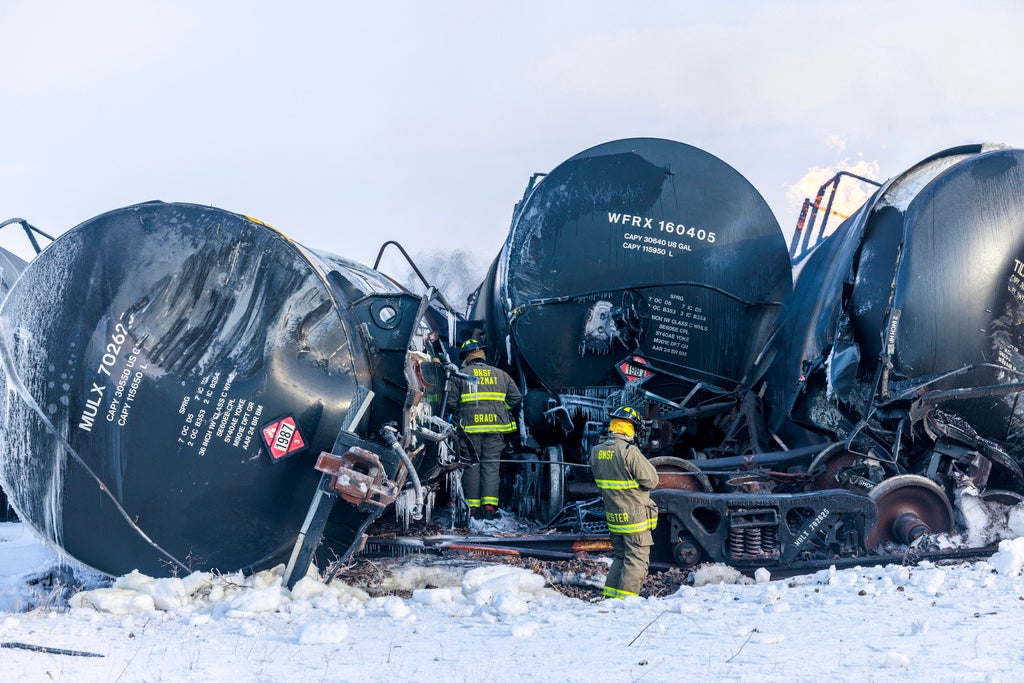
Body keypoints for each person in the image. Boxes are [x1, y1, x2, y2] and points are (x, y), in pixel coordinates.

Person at [588, 406, 660, 599]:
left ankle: (611, 599)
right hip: (635, 518)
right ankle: (626, 604)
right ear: (631, 428)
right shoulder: (629, 451)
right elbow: (651, 480)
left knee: (620, 557)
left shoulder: (596, 451)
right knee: (636, 559)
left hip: (614, 516)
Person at [447, 339, 522, 520]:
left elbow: (450, 402)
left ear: (466, 357)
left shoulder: (461, 375)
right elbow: (516, 398)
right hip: (495, 429)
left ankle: (473, 510)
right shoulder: (501, 374)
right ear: (482, 354)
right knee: (491, 466)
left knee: (472, 466)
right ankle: (489, 508)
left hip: (469, 430)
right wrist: (498, 408)